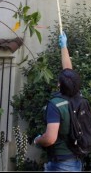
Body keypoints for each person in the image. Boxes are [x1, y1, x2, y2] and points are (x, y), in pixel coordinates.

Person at [33, 32, 83, 171]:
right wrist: (64, 47)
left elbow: (50, 139)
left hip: (61, 165)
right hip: (76, 161)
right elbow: (68, 72)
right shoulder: (77, 97)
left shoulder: (56, 104)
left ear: (60, 85)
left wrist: (38, 140)